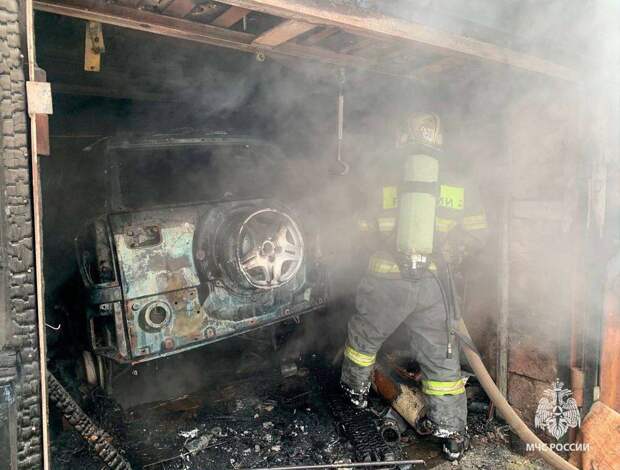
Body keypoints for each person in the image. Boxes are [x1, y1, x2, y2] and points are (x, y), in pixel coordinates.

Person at [340, 112, 488, 460]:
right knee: (441, 357)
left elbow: (360, 228)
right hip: (434, 285)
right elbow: (478, 232)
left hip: (386, 279)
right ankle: (452, 433)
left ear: (402, 137)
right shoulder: (457, 181)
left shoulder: (383, 175)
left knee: (364, 341)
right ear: (439, 140)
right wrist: (447, 253)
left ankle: (355, 394)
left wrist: (382, 244)